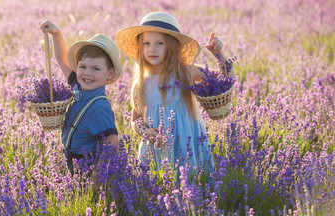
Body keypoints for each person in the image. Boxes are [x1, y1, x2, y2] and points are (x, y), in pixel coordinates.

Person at [116, 12, 235, 178]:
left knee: (193, 184)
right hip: (158, 146)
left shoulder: (184, 73)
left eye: (160, 43)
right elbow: (136, 119)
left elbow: (226, 79)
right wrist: (146, 132)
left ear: (172, 47)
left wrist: (219, 54)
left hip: (187, 144)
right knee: (158, 187)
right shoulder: (140, 83)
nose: (152, 48)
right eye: (147, 43)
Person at [40, 20, 121, 175]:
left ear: (109, 73)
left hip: (88, 164)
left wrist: (98, 175)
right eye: (82, 67)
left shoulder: (99, 106)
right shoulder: (78, 86)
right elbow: (63, 60)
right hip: (72, 159)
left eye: (96, 68)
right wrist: (56, 34)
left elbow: (112, 141)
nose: (87, 73)